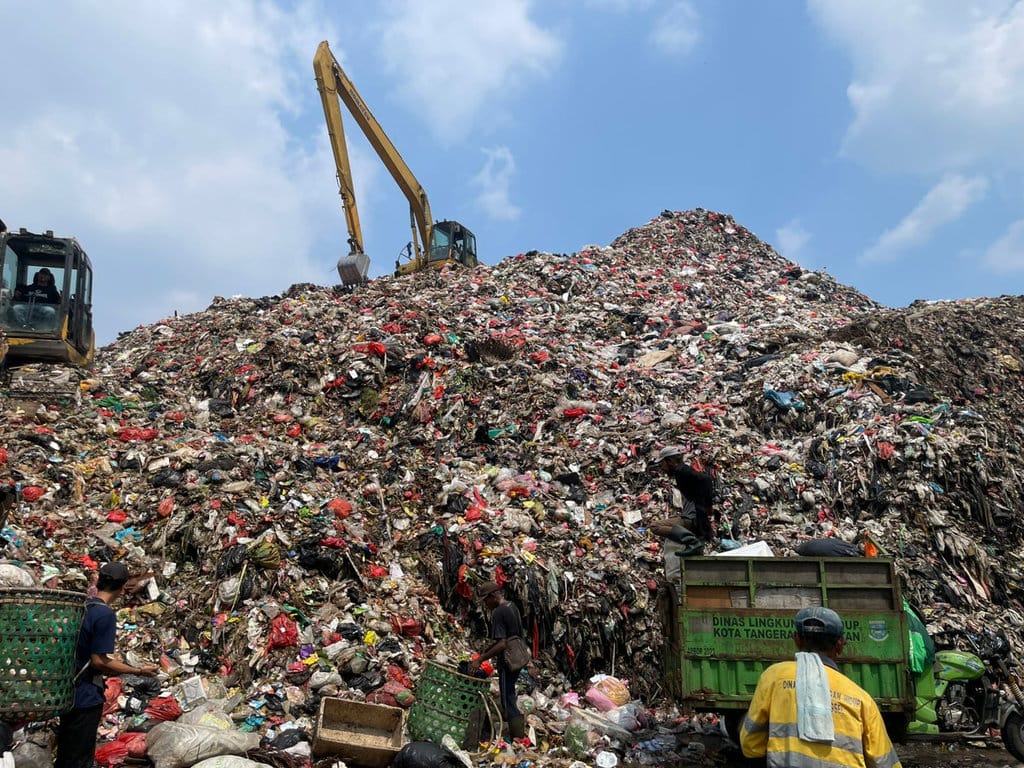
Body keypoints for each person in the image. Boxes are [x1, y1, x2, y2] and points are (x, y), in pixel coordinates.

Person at [740, 607, 902, 768]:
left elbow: (750, 744)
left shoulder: (774, 677)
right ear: (840, 644)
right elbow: (884, 762)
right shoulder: (861, 699)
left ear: (796, 639)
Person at [54, 562, 160, 768]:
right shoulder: (104, 614)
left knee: (66, 753)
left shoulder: (84, 606)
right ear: (122, 588)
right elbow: (99, 660)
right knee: (79, 759)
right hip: (86, 696)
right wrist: (139, 671)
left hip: (68, 692)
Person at [468, 581, 526, 739]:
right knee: (510, 694)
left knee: (507, 699)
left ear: (493, 596)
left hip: (508, 662)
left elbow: (502, 644)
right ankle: (517, 734)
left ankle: (518, 738)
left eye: (486, 601)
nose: (486, 605)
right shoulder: (511, 606)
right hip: (518, 656)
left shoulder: (498, 612)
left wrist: (480, 659)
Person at [649, 445, 717, 541]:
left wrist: (708, 506)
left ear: (670, 461)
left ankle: (689, 540)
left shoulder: (681, 471)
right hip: (696, 518)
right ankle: (691, 541)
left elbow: (707, 480)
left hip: (692, 519)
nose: (662, 468)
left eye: (662, 464)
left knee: (655, 526)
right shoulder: (682, 471)